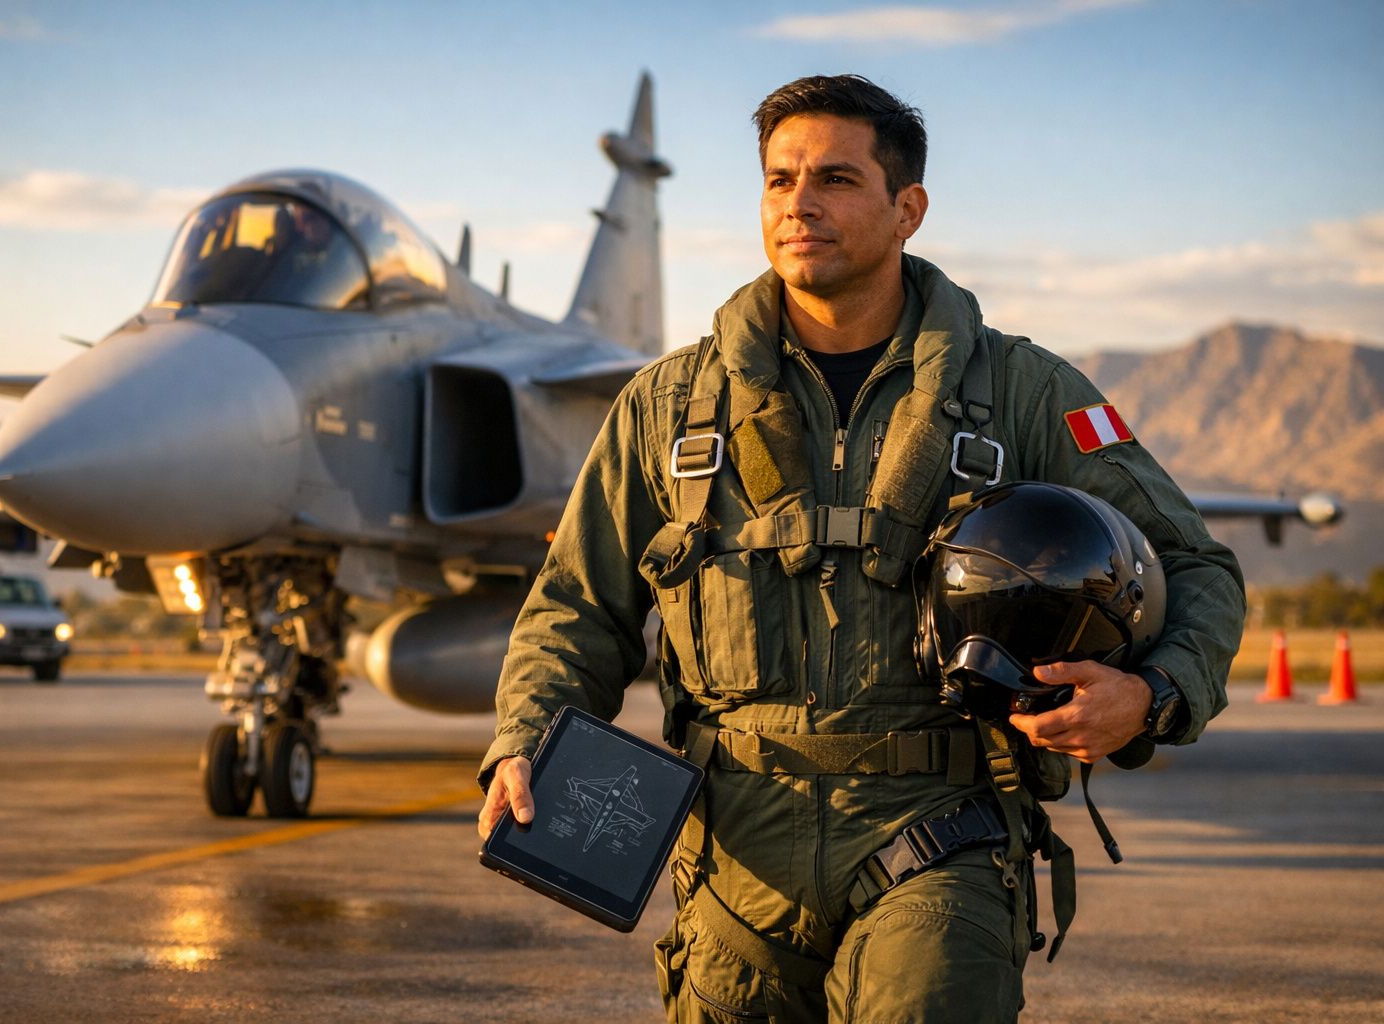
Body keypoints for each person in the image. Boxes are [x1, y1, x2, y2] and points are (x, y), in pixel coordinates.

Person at [477, 74, 1244, 1023]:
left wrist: (1150, 696)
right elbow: (576, 607)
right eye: (779, 179)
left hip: (939, 830)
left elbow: (1198, 567)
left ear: (907, 208)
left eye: (836, 178)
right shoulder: (665, 408)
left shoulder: (1030, 395)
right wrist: (525, 740)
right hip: (732, 857)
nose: (800, 203)